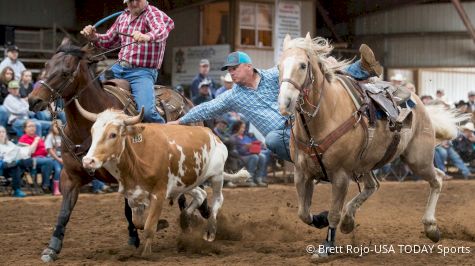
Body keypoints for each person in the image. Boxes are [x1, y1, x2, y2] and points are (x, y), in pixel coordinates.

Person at [168, 44, 382, 162]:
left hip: (301, 125)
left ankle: (361, 69)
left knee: (317, 74)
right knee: (271, 139)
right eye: (229, 70)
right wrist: (181, 121)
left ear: (248, 67)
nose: (231, 73)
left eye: (234, 68)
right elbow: (208, 107)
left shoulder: (273, 75)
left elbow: (294, 70)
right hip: (283, 136)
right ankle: (305, 164)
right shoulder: (233, 96)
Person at [81, 0, 174, 124]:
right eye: (130, 1)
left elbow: (161, 30)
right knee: (92, 94)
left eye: (137, 0)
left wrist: (147, 36)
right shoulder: (123, 17)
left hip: (142, 73)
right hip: (118, 69)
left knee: (146, 112)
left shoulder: (152, 13)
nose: (134, 3)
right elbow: (108, 40)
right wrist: (94, 37)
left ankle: (164, 133)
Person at [18, 120, 54, 193]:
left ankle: (53, 186)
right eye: (30, 126)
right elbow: (31, 152)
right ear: (25, 129)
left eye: (33, 126)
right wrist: (36, 141)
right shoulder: (23, 138)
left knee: (55, 162)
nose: (32, 128)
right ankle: (45, 185)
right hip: (31, 160)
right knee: (48, 162)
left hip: (43, 159)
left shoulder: (37, 137)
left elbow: (45, 150)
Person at [0, 125, 35, 197]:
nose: (1, 133)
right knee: (16, 165)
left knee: (28, 161)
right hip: (3, 166)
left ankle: (17, 190)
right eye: (0, 132)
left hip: (13, 166)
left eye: (3, 132)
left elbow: (18, 152)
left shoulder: (10, 143)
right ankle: (16, 190)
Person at [231, 121, 268, 187]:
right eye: (242, 127)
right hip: (240, 157)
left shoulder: (246, 137)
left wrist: (260, 146)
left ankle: (258, 178)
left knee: (262, 156)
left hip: (250, 155)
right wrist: (245, 147)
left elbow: (253, 147)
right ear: (237, 127)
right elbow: (235, 152)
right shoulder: (233, 138)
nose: (243, 129)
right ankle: (249, 179)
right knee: (254, 157)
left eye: (244, 128)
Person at [44, 120, 63, 196]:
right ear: (52, 127)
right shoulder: (50, 136)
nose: (58, 128)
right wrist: (58, 159)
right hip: (53, 159)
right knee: (58, 170)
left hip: (62, 159)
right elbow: (50, 150)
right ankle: (56, 189)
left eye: (60, 126)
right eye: (56, 126)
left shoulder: (63, 137)